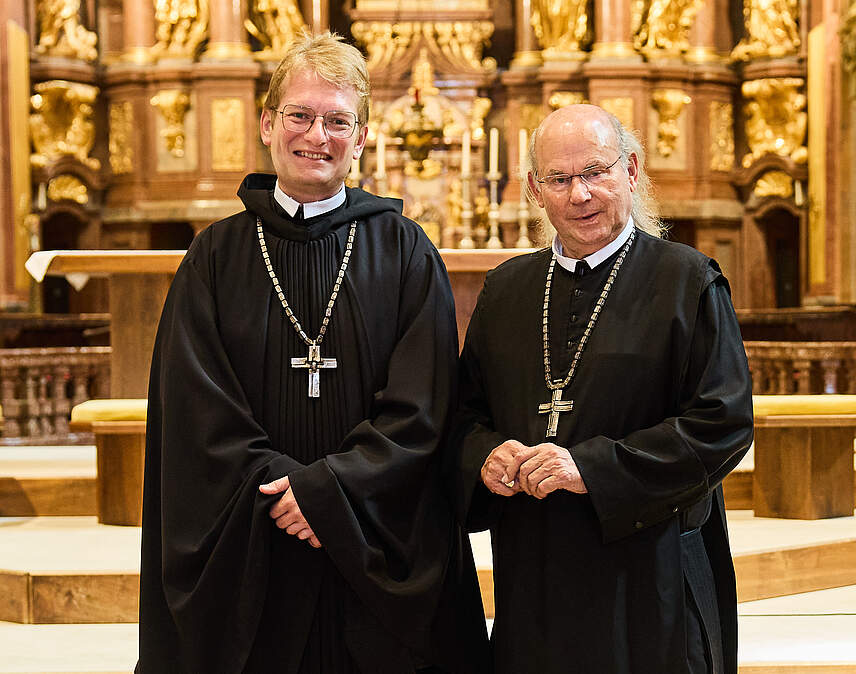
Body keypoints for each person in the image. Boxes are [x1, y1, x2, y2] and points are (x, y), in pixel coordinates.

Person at [138, 32, 489, 674]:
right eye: (300, 115)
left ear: (360, 139)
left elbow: (425, 404)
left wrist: (327, 492)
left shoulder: (406, 251)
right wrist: (283, 492)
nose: (317, 136)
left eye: (337, 121)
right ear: (268, 124)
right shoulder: (214, 259)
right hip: (253, 538)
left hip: (376, 536)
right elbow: (196, 410)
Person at [454, 104, 753, 673]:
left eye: (595, 172)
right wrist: (484, 456)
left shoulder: (686, 280)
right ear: (535, 191)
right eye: (560, 180)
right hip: (534, 569)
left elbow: (724, 422)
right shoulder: (506, 290)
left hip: (647, 571)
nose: (580, 195)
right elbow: (465, 416)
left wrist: (590, 468)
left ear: (632, 171)